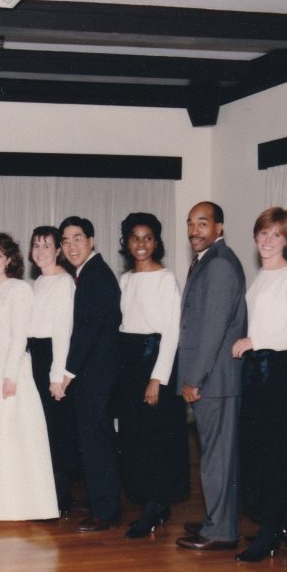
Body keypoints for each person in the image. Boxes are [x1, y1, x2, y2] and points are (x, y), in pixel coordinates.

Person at [231, 207, 287, 562]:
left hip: (274, 371)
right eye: (264, 233)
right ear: (255, 235)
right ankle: (275, 524)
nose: (268, 240)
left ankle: (270, 531)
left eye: (276, 235)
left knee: (273, 453)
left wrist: (257, 340)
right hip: (255, 371)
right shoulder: (263, 276)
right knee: (255, 450)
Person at [0, 233, 58, 521]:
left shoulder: (18, 289)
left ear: (10, 260)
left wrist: (9, 377)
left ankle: (18, 505)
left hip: (11, 369)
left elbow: (20, 336)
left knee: (11, 438)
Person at [175, 201, 247, 552]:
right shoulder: (207, 262)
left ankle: (221, 531)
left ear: (219, 227)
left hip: (214, 380)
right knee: (214, 456)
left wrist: (193, 378)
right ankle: (216, 521)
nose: (194, 231)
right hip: (212, 379)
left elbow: (212, 331)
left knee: (217, 458)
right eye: (190, 224)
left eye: (202, 223)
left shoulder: (219, 265)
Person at [116, 213, 189, 539]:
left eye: (148, 238)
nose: (141, 244)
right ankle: (148, 498)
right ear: (126, 243)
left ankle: (157, 503)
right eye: (135, 238)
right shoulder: (125, 280)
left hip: (155, 360)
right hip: (129, 361)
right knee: (134, 435)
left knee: (157, 436)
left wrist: (157, 378)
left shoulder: (166, 279)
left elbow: (172, 332)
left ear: (156, 242)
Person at [59, 216, 122, 532]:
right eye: (66, 241)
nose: (72, 246)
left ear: (92, 240)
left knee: (96, 441)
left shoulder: (95, 275)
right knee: (96, 440)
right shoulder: (89, 273)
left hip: (94, 374)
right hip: (96, 373)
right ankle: (104, 502)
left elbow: (87, 329)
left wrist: (68, 372)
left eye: (78, 238)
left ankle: (105, 511)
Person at [27, 225, 76, 514]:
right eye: (36, 245)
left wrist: (57, 376)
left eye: (47, 245)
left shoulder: (63, 282)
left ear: (58, 250)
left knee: (56, 429)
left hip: (51, 359)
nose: (41, 251)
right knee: (41, 426)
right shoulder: (38, 282)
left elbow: (62, 331)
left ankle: (60, 496)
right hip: (35, 356)